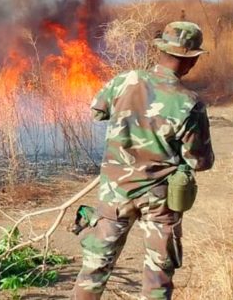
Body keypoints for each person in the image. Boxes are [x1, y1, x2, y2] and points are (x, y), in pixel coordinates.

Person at [73, 21, 215, 300]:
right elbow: (200, 161)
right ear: (191, 60)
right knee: (158, 275)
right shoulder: (190, 103)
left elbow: (97, 112)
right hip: (160, 200)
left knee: (94, 269)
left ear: (160, 51)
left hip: (116, 193)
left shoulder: (124, 80)